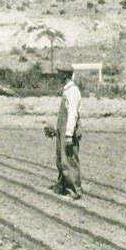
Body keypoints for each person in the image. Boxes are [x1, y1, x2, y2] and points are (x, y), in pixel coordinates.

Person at [52, 64, 83, 200]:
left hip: (68, 131)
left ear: (65, 75)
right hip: (62, 130)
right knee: (61, 159)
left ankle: (75, 192)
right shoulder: (66, 91)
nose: (57, 75)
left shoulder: (73, 91)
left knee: (69, 160)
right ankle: (62, 187)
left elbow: (72, 115)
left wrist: (69, 134)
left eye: (59, 73)